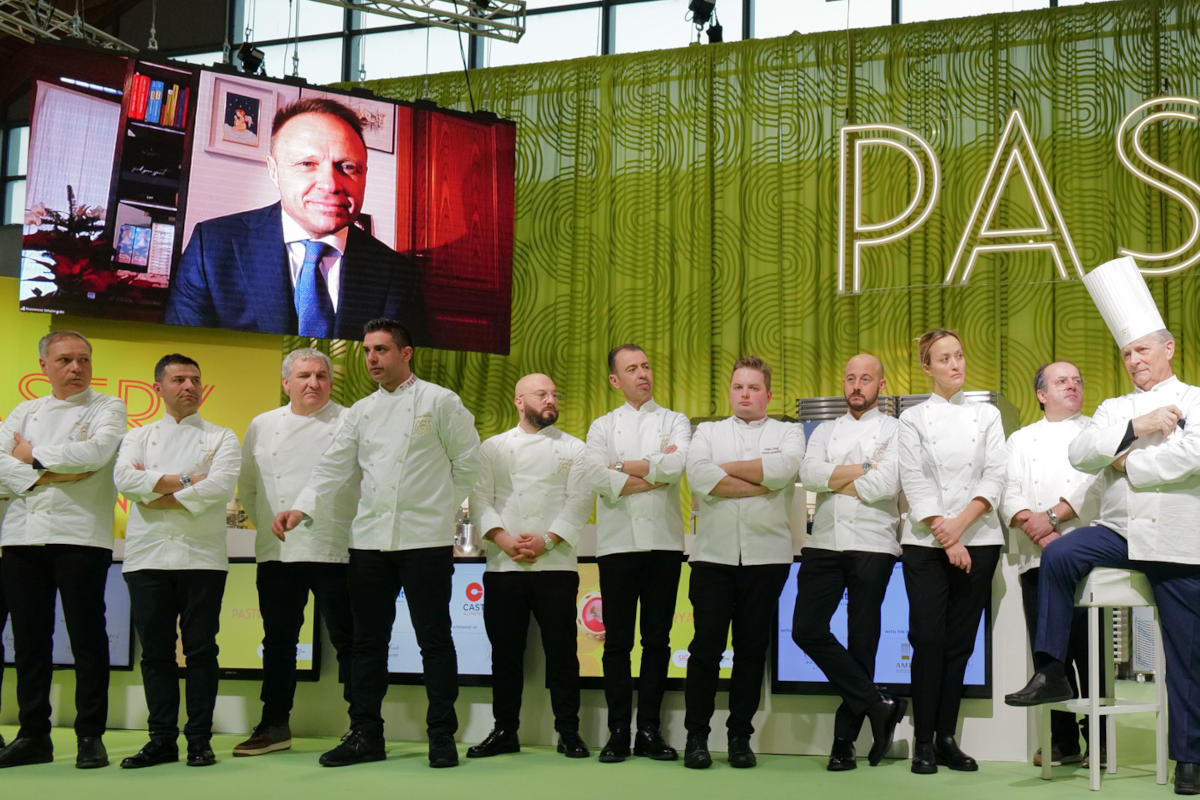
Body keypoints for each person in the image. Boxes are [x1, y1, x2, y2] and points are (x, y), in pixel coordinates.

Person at [1004, 256, 1200, 796]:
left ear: (1168, 349)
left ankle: (1189, 758)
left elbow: (1187, 462)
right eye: (1127, 353)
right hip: (1119, 529)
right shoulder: (1115, 408)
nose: (1135, 360)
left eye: (1143, 350)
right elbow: (1082, 448)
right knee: (1060, 556)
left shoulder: (1196, 402)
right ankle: (1051, 669)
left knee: (1187, 652)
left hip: (1180, 539)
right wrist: (1138, 426)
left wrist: (1126, 460)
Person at [274, 318, 479, 769]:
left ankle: (442, 735)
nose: (372, 359)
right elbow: (332, 468)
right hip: (368, 540)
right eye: (367, 350)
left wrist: (443, 515)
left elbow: (468, 465)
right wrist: (301, 508)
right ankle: (366, 733)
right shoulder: (360, 412)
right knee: (367, 644)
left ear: (406, 354)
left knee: (434, 640)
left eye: (382, 350)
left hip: (425, 540)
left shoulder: (440, 401)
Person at [166, 97, 426, 341]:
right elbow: (181, 358)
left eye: (347, 167)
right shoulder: (211, 248)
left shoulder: (398, 275)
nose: (330, 184)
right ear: (274, 170)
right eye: (307, 164)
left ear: (365, 174)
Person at [0, 331, 125, 770]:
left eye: (84, 360)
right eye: (66, 360)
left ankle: (91, 735)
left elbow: (95, 452)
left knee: (87, 639)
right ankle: (34, 735)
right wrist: (48, 474)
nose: (76, 368)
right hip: (20, 537)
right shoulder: (25, 409)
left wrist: (28, 456)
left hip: (81, 537)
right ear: (43, 366)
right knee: (30, 642)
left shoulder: (108, 406)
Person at [114, 353, 241, 769]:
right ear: (159, 388)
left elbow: (220, 487)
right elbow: (124, 481)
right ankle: (161, 739)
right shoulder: (138, 436)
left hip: (202, 557)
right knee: (155, 653)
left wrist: (156, 493)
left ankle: (199, 740)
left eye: (195, 380)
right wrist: (188, 481)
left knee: (202, 650)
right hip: (146, 556)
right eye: (179, 380)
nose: (189, 387)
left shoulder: (222, 437)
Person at [233, 347, 358, 757]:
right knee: (279, 641)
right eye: (304, 375)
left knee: (350, 641)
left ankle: (362, 724)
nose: (314, 383)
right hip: (278, 550)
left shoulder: (349, 421)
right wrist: (267, 519)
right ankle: (274, 725)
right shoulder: (262, 425)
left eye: (322, 375)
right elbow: (248, 487)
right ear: (286, 382)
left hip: (337, 546)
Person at [683, 356, 804, 769]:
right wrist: (761, 483)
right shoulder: (707, 432)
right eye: (739, 387)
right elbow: (698, 477)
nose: (745, 394)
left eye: (754, 388)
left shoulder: (788, 432)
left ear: (768, 394)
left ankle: (739, 738)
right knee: (705, 651)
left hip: (766, 560)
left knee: (752, 652)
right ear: (730, 392)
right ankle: (696, 737)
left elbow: (784, 470)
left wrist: (725, 473)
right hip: (712, 558)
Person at [467, 373, 595, 760]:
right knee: (505, 654)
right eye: (542, 394)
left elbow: (579, 501)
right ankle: (505, 729)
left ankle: (568, 731)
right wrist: (504, 539)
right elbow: (479, 499)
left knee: (562, 653)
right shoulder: (492, 449)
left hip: (556, 565)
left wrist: (548, 540)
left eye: (555, 394)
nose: (551, 400)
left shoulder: (576, 449)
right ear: (519, 401)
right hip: (504, 567)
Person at [898, 329, 1004, 775]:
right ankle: (922, 740)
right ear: (927, 368)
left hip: (979, 540)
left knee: (960, 644)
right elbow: (914, 481)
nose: (955, 364)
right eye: (944, 359)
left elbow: (995, 476)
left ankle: (946, 737)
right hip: (925, 542)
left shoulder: (988, 415)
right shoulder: (912, 419)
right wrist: (947, 537)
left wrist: (960, 529)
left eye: (959, 355)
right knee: (927, 640)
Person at [794, 353, 905, 771]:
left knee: (863, 642)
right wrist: (861, 469)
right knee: (806, 629)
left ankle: (844, 743)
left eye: (866, 379)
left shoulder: (896, 430)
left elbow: (884, 484)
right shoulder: (823, 430)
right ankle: (879, 704)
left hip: (873, 544)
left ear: (881, 385)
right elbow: (811, 475)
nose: (857, 385)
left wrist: (838, 478)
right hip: (824, 541)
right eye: (850, 378)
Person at [585, 344, 690, 763]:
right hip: (616, 546)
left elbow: (677, 466)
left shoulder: (675, 420)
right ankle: (616, 732)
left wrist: (621, 467)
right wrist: (652, 470)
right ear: (615, 380)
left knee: (658, 640)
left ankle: (649, 729)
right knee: (616, 645)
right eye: (632, 369)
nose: (642, 373)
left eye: (646, 365)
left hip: (664, 544)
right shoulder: (601, 427)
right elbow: (595, 474)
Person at [999, 361, 1102, 767]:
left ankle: (1101, 738)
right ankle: (1063, 742)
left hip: (1086, 551)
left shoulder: (1096, 433)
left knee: (1088, 653)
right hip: (1036, 556)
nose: (1073, 386)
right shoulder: (1021, 440)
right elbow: (1010, 491)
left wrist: (1054, 519)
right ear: (1041, 394)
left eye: (1078, 380)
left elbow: (1094, 486)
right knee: (1048, 653)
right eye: (1062, 382)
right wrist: (1041, 531)